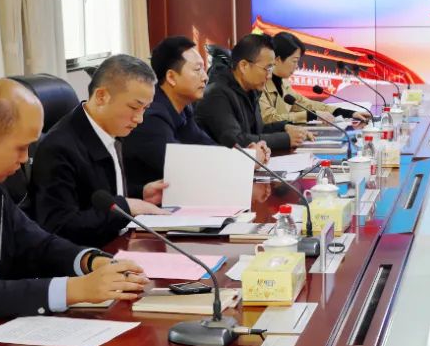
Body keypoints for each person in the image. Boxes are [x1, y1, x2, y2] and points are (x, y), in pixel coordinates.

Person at [0, 79, 148, 337]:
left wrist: (91, 261)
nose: (25, 159)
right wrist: (76, 289)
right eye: (21, 148)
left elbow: (38, 244)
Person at [29, 55, 170, 249]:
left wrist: (140, 194)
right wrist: (126, 207)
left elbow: (98, 196)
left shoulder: (112, 128)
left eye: (145, 109)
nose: (140, 119)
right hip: (90, 257)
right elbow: (60, 226)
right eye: (134, 107)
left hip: (121, 244)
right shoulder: (58, 148)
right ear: (102, 96)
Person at [121, 36, 271, 196]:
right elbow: (182, 169)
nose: (205, 77)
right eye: (197, 69)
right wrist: (246, 161)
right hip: (145, 207)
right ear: (171, 77)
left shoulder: (183, 109)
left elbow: (206, 148)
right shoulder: (151, 117)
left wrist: (245, 155)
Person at [196, 33, 312, 151]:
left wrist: (285, 127)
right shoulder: (216, 94)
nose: (269, 76)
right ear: (244, 66)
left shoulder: (251, 90)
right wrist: (286, 139)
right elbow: (236, 141)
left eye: (271, 68)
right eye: (267, 68)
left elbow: (257, 131)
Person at [261, 32, 371, 126]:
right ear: (277, 60)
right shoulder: (260, 84)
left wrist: (349, 113)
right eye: (294, 61)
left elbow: (307, 104)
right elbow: (268, 119)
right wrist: (310, 115)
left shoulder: (283, 83)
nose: (297, 66)